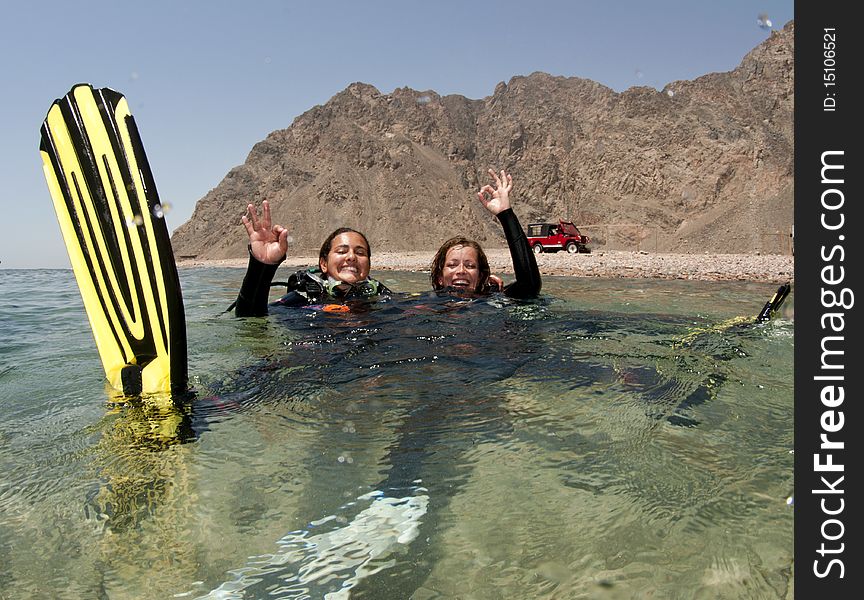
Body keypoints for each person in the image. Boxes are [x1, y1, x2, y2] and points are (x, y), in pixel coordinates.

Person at [233, 200, 392, 316]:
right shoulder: (304, 299)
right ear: (323, 264)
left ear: (369, 265)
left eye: (360, 253)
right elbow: (250, 318)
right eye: (342, 251)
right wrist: (261, 266)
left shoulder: (381, 297)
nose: (351, 257)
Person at [430, 169, 541, 299]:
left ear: (480, 276)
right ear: (440, 279)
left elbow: (529, 286)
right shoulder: (424, 304)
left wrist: (506, 214)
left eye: (470, 266)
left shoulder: (490, 299)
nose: (461, 271)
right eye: (452, 265)